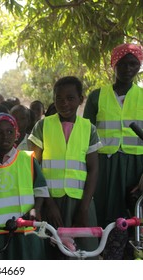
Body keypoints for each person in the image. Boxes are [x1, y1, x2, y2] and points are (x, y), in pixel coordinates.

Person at [29, 76, 102, 259]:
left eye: (70, 98)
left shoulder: (89, 129)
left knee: (82, 253)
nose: (64, 103)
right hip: (49, 202)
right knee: (50, 253)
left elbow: (93, 169)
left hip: (80, 202)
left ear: (80, 99)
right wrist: (49, 203)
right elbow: (34, 167)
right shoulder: (42, 126)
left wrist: (84, 208)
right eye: (59, 99)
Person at [83, 43, 143, 259]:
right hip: (104, 167)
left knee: (133, 215)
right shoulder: (97, 96)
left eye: (134, 64)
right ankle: (105, 258)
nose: (128, 68)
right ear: (113, 65)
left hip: (137, 167)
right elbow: (85, 135)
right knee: (105, 214)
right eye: (123, 64)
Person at [0, 113, 48, 259]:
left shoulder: (27, 159)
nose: (5, 136)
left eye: (10, 132)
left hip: (26, 225)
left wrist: (35, 212)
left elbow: (41, 189)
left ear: (16, 134)